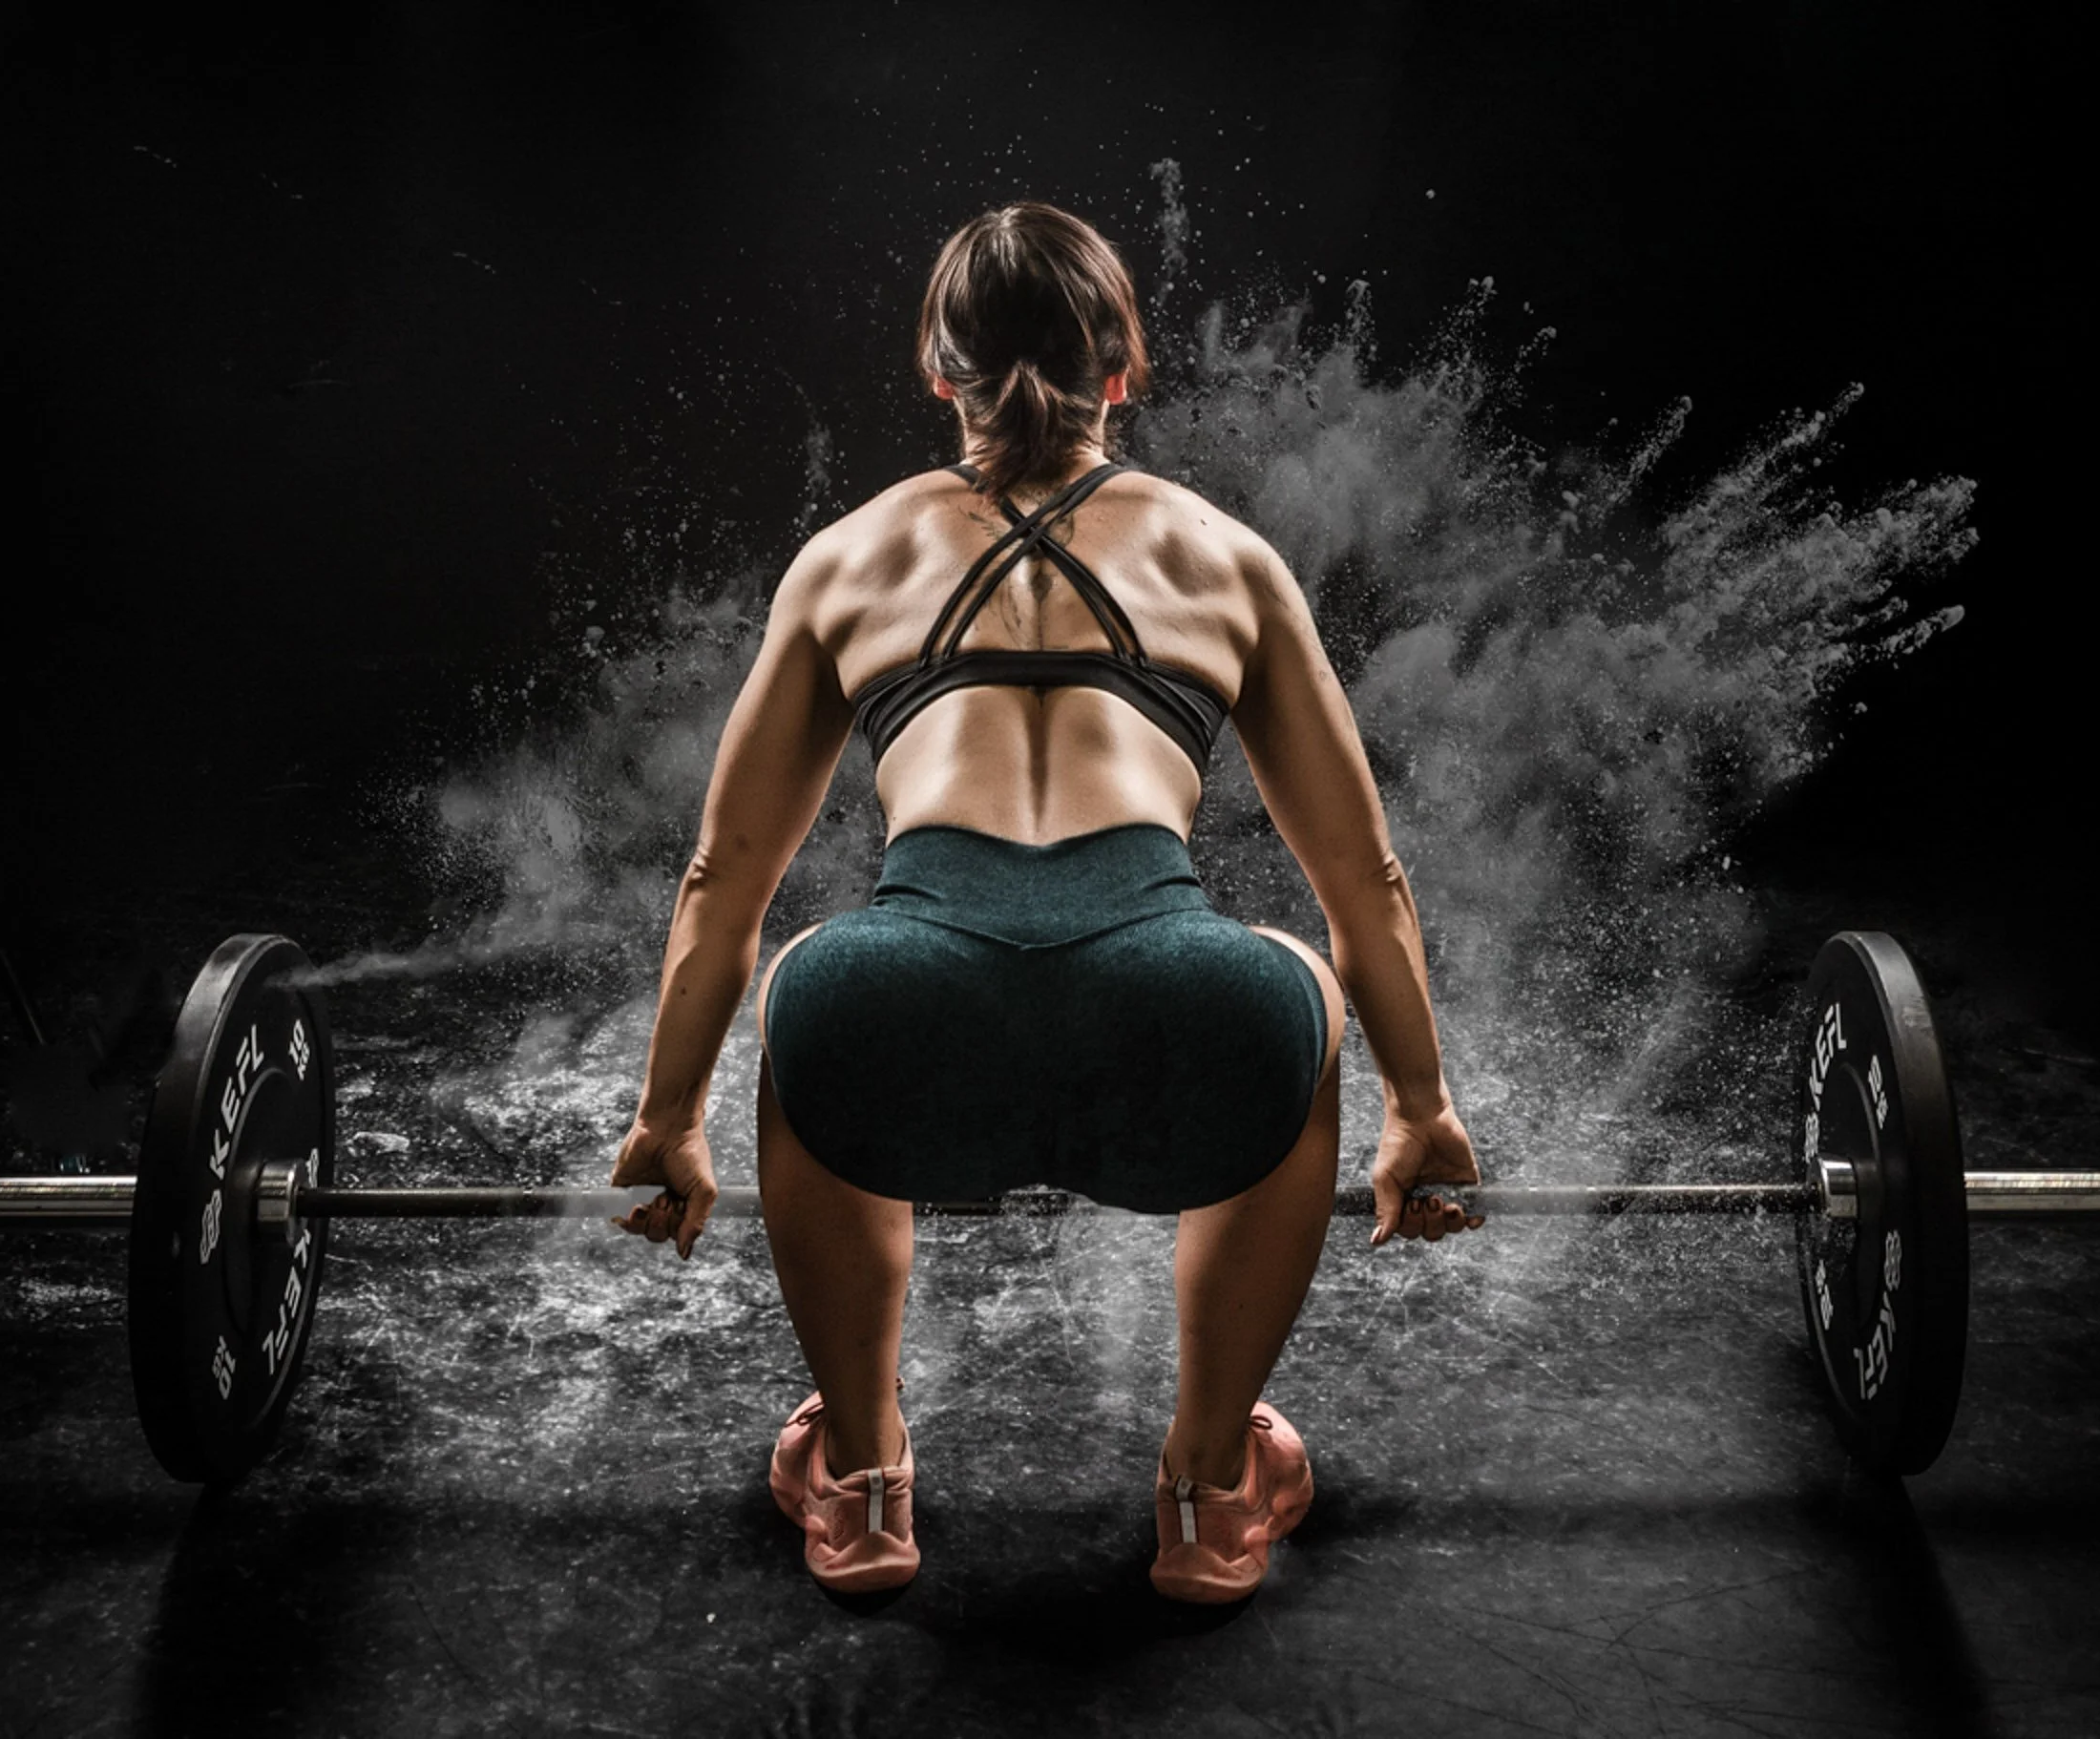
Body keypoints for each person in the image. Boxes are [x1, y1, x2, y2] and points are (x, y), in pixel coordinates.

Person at [609, 202, 1480, 1603]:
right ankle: (1206, 1484)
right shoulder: (1225, 557)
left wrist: (664, 1120)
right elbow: (1361, 877)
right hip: (1172, 1016)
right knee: (1294, 1005)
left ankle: (861, 1468)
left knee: (815, 1000)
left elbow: (726, 878)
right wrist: (1422, 1110)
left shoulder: (848, 559)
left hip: (914, 1023)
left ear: (938, 373)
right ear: (1124, 375)